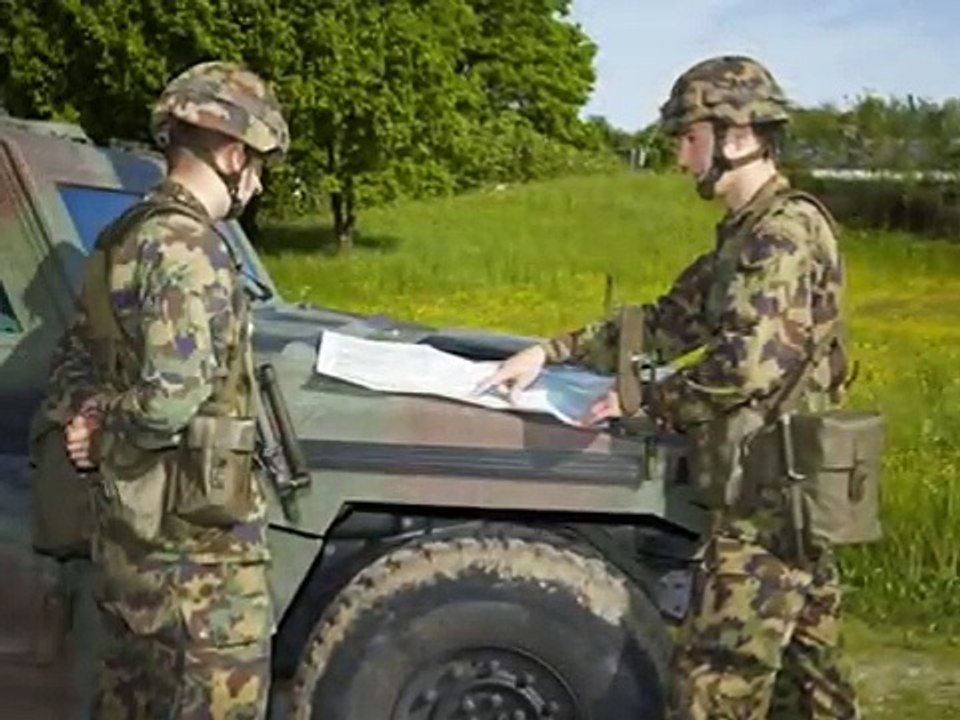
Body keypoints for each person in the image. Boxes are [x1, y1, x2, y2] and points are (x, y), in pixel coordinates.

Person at [477, 55, 860, 719]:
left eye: (689, 139)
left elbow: (745, 368)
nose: (682, 159)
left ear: (736, 136)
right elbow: (667, 320)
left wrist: (644, 402)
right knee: (813, 693)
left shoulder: (781, 236)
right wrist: (550, 351)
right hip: (785, 503)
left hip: (764, 510)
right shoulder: (745, 237)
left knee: (712, 689)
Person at [47, 60, 290, 718]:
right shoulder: (189, 249)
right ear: (235, 154)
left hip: (132, 547)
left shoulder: (120, 240)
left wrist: (93, 416)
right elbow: (170, 399)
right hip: (199, 568)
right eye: (260, 165)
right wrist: (106, 427)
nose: (259, 182)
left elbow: (79, 361)